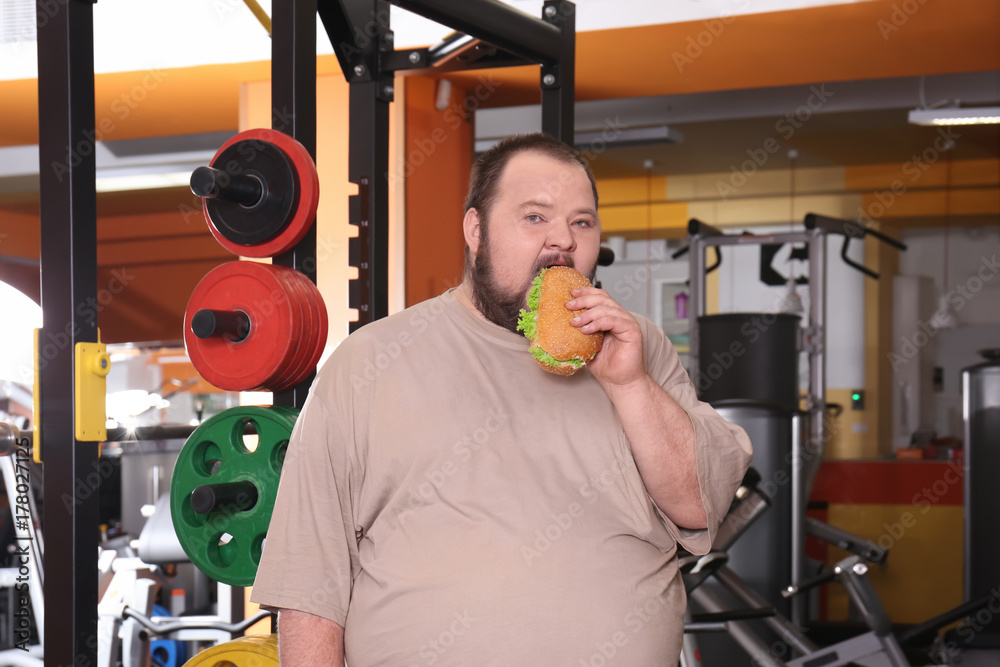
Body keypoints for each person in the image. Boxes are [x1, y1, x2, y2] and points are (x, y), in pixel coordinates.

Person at [250, 133, 752, 666]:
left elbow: (697, 504)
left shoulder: (640, 347)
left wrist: (629, 385)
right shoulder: (366, 363)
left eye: (582, 222)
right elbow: (310, 588)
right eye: (535, 217)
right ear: (476, 229)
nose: (563, 241)